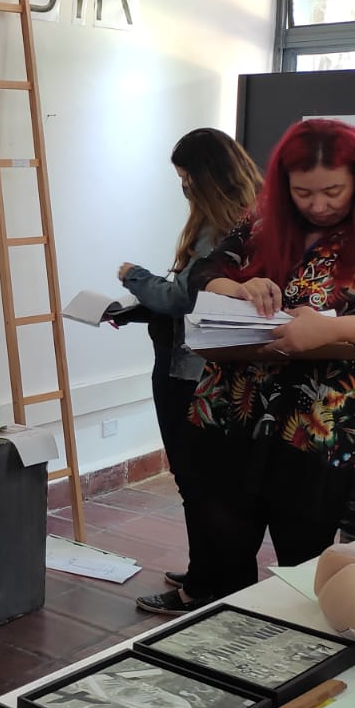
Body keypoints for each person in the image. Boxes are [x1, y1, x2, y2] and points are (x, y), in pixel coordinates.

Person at [180, 118, 355, 601]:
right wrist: (236, 287)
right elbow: (205, 270)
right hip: (231, 411)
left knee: (308, 565)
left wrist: (332, 328)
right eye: (303, 193)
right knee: (221, 547)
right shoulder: (263, 221)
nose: (318, 205)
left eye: (333, 191)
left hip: (324, 426)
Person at [118, 129, 262, 616]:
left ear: (207, 176)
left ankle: (203, 585)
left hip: (193, 371)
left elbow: (183, 297)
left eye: (186, 178)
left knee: (197, 480)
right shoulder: (250, 218)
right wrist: (142, 308)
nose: (183, 188)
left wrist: (134, 278)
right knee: (214, 482)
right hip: (218, 365)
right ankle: (215, 571)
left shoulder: (222, 229)